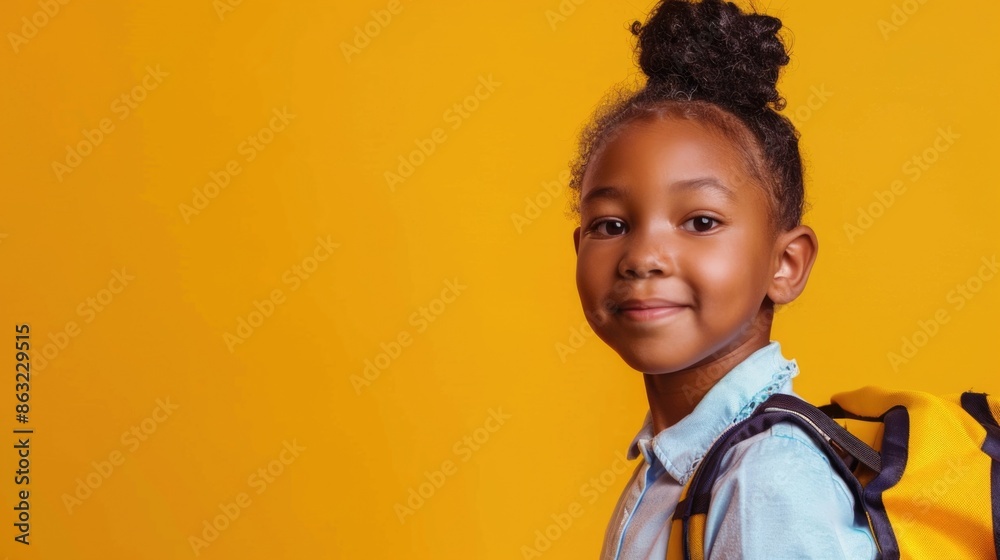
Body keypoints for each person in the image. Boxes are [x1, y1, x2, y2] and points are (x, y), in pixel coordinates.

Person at [566, 0, 879, 558]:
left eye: (701, 222)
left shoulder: (766, 478)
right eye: (611, 225)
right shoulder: (676, 462)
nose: (643, 257)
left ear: (785, 264)